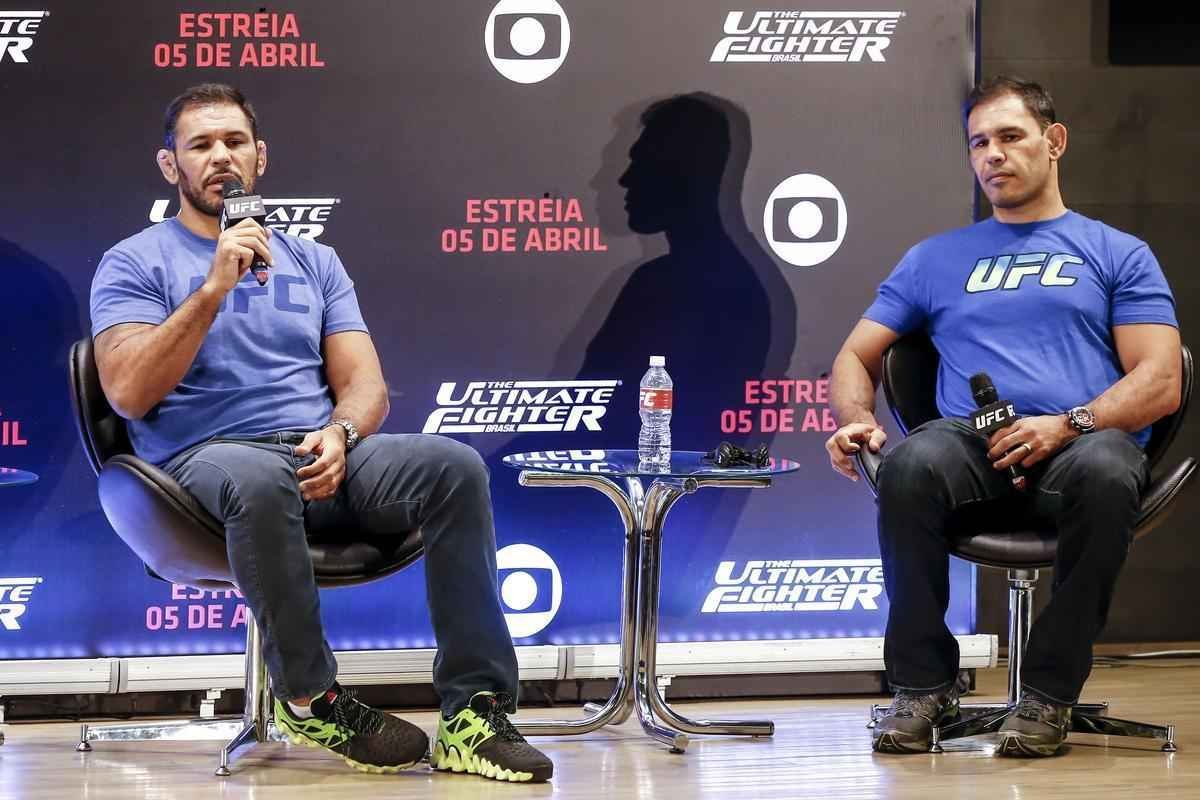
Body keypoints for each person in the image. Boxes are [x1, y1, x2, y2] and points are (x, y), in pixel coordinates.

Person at [88, 83, 552, 783]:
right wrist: (213, 288)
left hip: (316, 455)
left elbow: (364, 383)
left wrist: (340, 432)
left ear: (260, 157)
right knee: (257, 474)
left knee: (453, 466)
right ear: (169, 167)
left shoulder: (315, 262)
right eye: (201, 145)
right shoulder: (134, 262)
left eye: (234, 142)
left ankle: (475, 712)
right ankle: (312, 696)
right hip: (199, 468)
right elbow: (125, 391)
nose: (221, 157)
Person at [824, 75, 1181, 757]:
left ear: (1054, 143)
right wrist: (855, 417)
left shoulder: (1115, 253)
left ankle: (1048, 695)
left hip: (1080, 442)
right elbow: (855, 354)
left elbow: (1160, 379)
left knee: (1109, 470)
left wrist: (1069, 423)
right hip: (975, 447)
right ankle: (924, 687)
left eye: (1010, 136)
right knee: (907, 464)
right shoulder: (935, 258)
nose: (992, 154)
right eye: (978, 142)